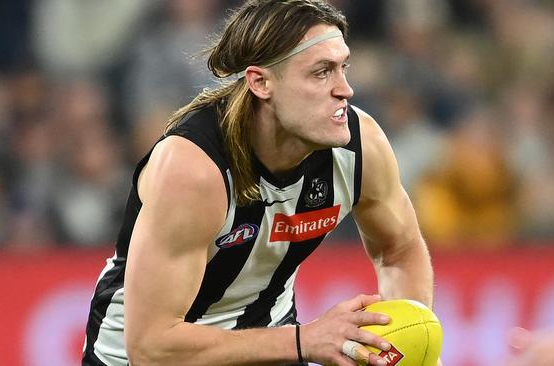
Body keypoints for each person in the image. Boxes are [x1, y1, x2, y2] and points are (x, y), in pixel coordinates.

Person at [82, 1, 437, 365]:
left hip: (268, 347)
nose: (345, 89)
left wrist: (409, 343)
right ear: (261, 82)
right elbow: (152, 347)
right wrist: (304, 340)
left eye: (343, 67)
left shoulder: (360, 145)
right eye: (321, 73)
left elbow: (399, 249)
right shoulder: (194, 169)